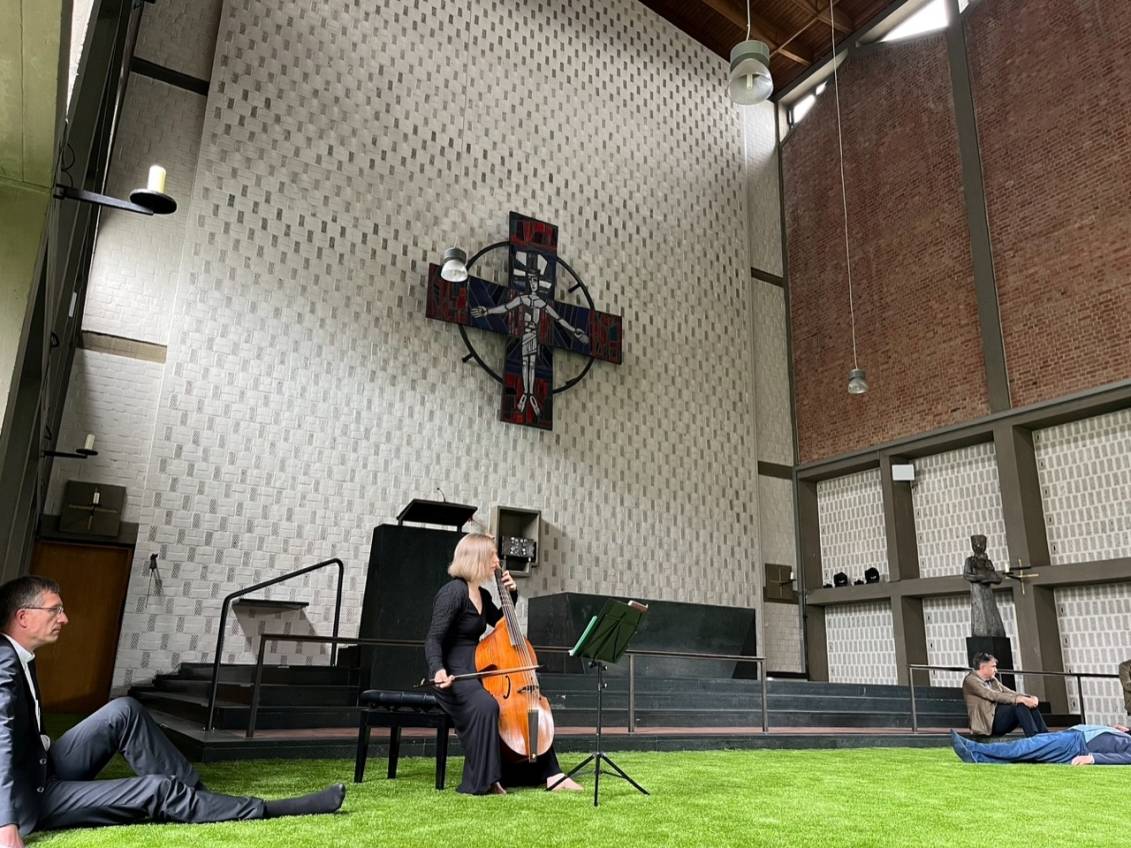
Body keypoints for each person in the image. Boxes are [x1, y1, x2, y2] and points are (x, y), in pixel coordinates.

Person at [0, 576, 345, 847]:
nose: (65, 618)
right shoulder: (3, 662)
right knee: (157, 790)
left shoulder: (19, 656)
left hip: (41, 767)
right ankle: (263, 809)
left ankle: (204, 802)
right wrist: (6, 823)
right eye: (55, 610)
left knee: (124, 711)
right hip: (29, 797)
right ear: (23, 617)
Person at [425, 533, 581, 795]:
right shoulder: (453, 592)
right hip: (454, 672)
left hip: (478, 668)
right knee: (487, 705)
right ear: (477, 558)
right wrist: (438, 670)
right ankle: (487, 780)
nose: (497, 561)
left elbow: (502, 623)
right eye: (492, 556)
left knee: (527, 704)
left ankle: (552, 774)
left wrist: (512, 594)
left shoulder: (482, 594)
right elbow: (433, 638)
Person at [950, 724, 1131, 765]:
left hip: (1078, 744)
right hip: (1077, 735)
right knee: (1030, 751)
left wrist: (1092, 758)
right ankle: (977, 756)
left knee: (1029, 746)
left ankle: (976, 748)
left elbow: (1125, 758)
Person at [962, 652, 1048, 737]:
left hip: (998, 719)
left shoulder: (993, 680)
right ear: (983, 667)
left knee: (1028, 704)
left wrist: (1029, 697)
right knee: (1020, 705)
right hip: (987, 725)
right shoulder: (971, 680)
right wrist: (1018, 699)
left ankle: (1045, 736)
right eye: (993, 666)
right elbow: (992, 695)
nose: (996, 670)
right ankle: (1033, 737)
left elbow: (1009, 692)